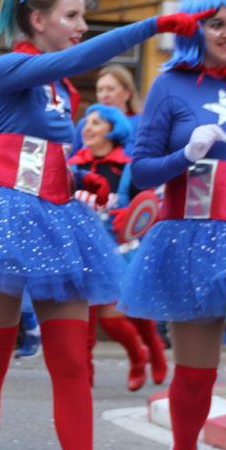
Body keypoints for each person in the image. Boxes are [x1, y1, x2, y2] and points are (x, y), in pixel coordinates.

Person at [0, 0, 208, 450]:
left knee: (72, 363)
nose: (81, 25)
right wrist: (154, 24)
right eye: (72, 15)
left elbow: (34, 154)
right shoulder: (9, 67)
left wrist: (76, 180)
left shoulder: (63, 90)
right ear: (37, 19)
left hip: (56, 219)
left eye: (83, 16)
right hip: (1, 220)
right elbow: (78, 59)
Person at [118, 0, 226, 450]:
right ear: (194, 28)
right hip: (190, 237)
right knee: (195, 373)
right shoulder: (170, 84)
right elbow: (141, 170)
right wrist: (186, 154)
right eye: (215, 23)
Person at [69, 105, 166, 391]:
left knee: (117, 320)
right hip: (81, 254)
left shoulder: (128, 166)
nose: (87, 127)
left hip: (120, 252)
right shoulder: (73, 166)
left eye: (96, 123)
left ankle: (146, 353)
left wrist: (132, 217)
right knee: (82, 328)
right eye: (86, 122)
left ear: (113, 130)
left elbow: (149, 206)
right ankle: (82, 383)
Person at [70, 64, 145, 153]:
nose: (104, 95)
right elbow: (72, 161)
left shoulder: (142, 124)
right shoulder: (85, 124)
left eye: (110, 89)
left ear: (127, 93)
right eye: (100, 90)